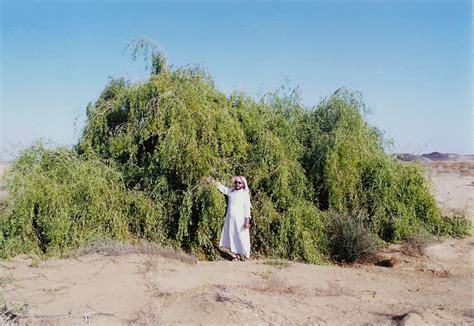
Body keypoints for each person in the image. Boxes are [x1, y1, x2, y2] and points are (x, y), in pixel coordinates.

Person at [207, 175, 252, 261]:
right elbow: (222, 188)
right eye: (236, 182)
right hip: (230, 219)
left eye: (239, 182)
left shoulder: (245, 194)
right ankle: (236, 255)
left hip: (241, 220)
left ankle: (246, 255)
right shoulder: (231, 191)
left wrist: (247, 220)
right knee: (233, 236)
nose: (237, 184)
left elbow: (247, 208)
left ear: (243, 184)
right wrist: (212, 181)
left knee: (242, 237)